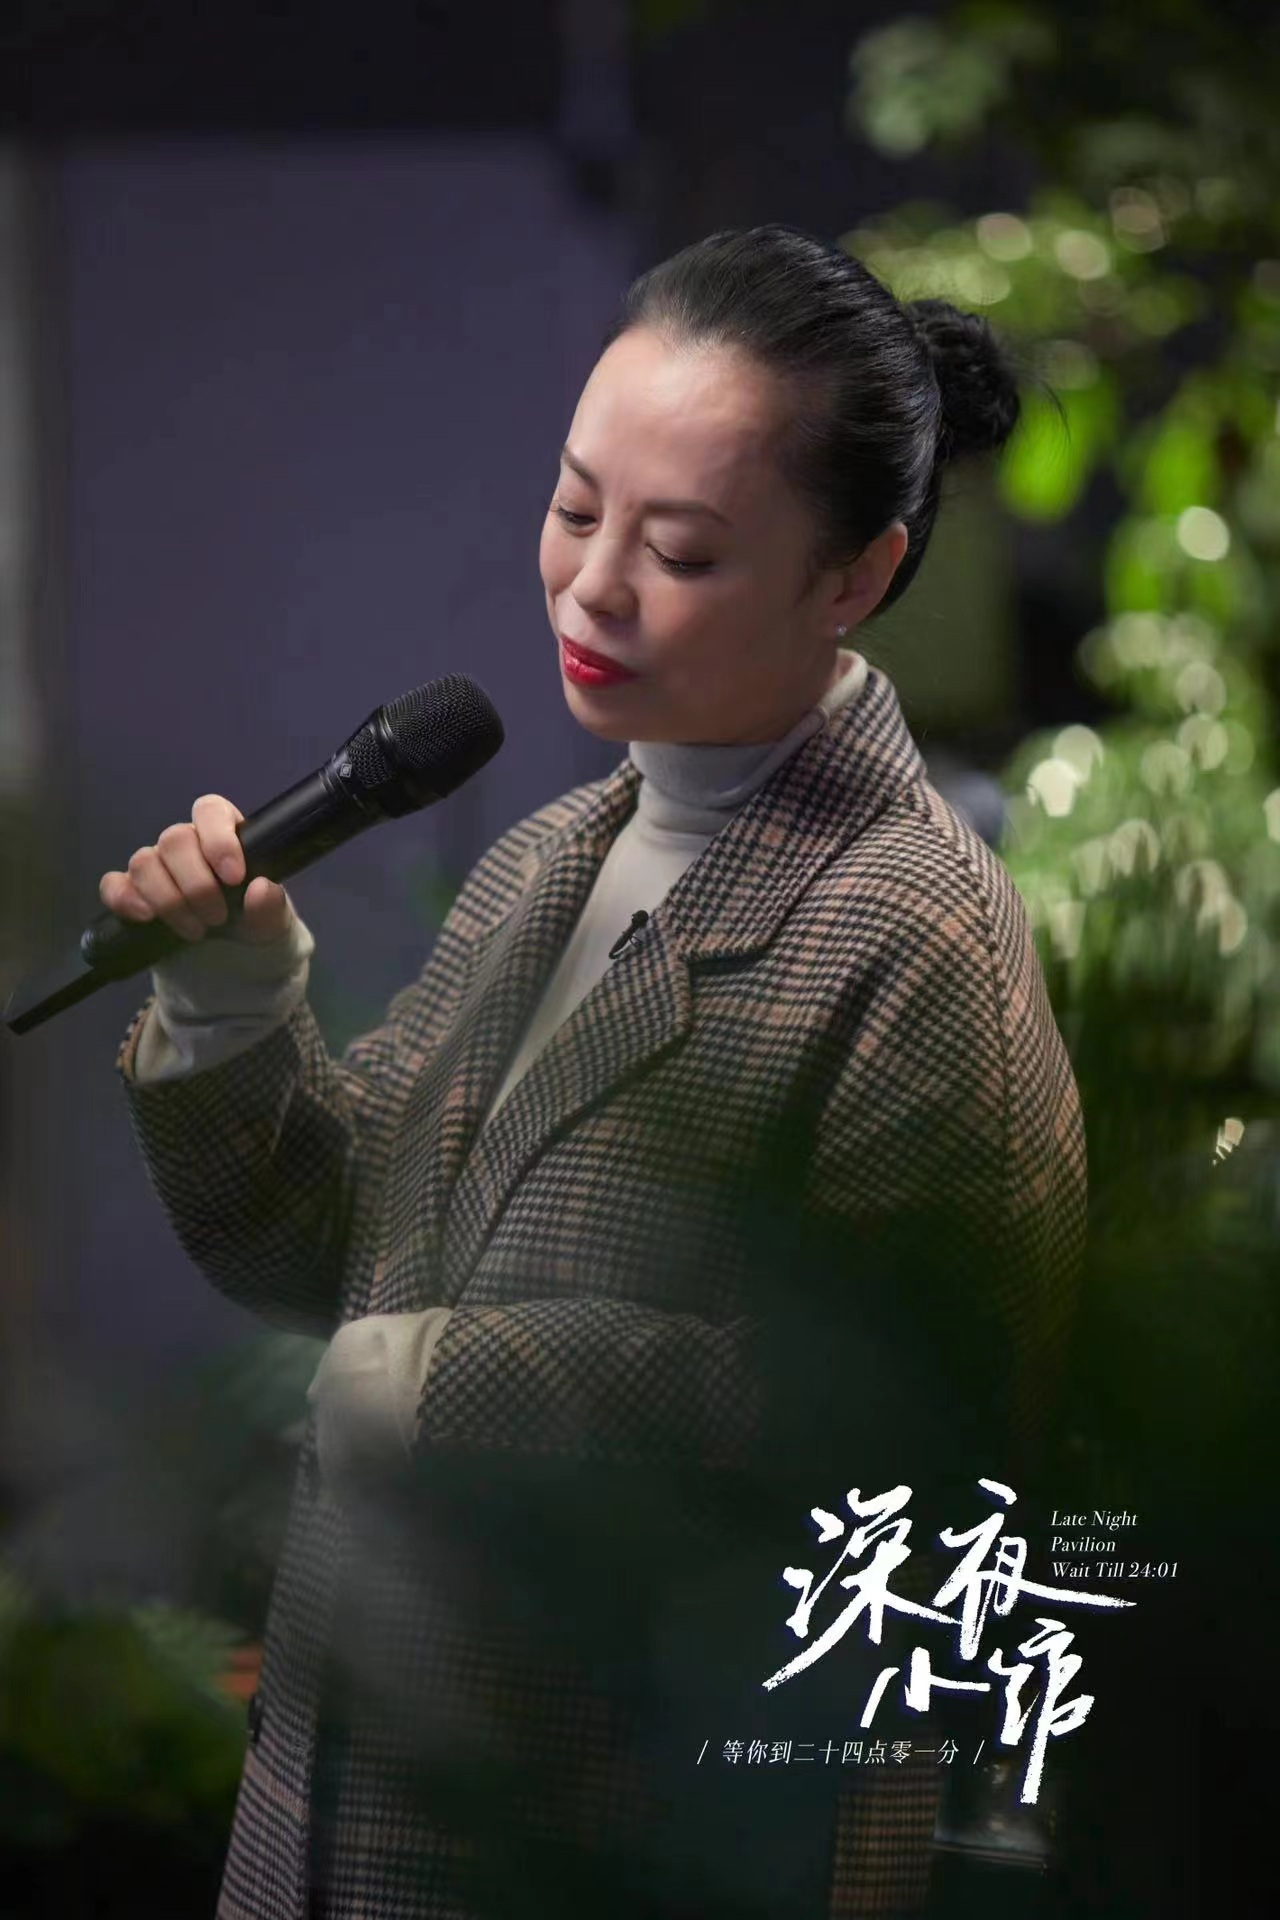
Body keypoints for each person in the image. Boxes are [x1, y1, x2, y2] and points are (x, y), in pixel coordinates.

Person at [102, 225, 1087, 1919]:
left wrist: (457, 1385)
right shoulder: (549, 858)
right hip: (339, 1829)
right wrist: (234, 1003)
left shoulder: (915, 931)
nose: (591, 587)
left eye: (680, 548)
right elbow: (332, 1262)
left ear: (855, 577)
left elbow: (919, 1436)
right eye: (575, 509)